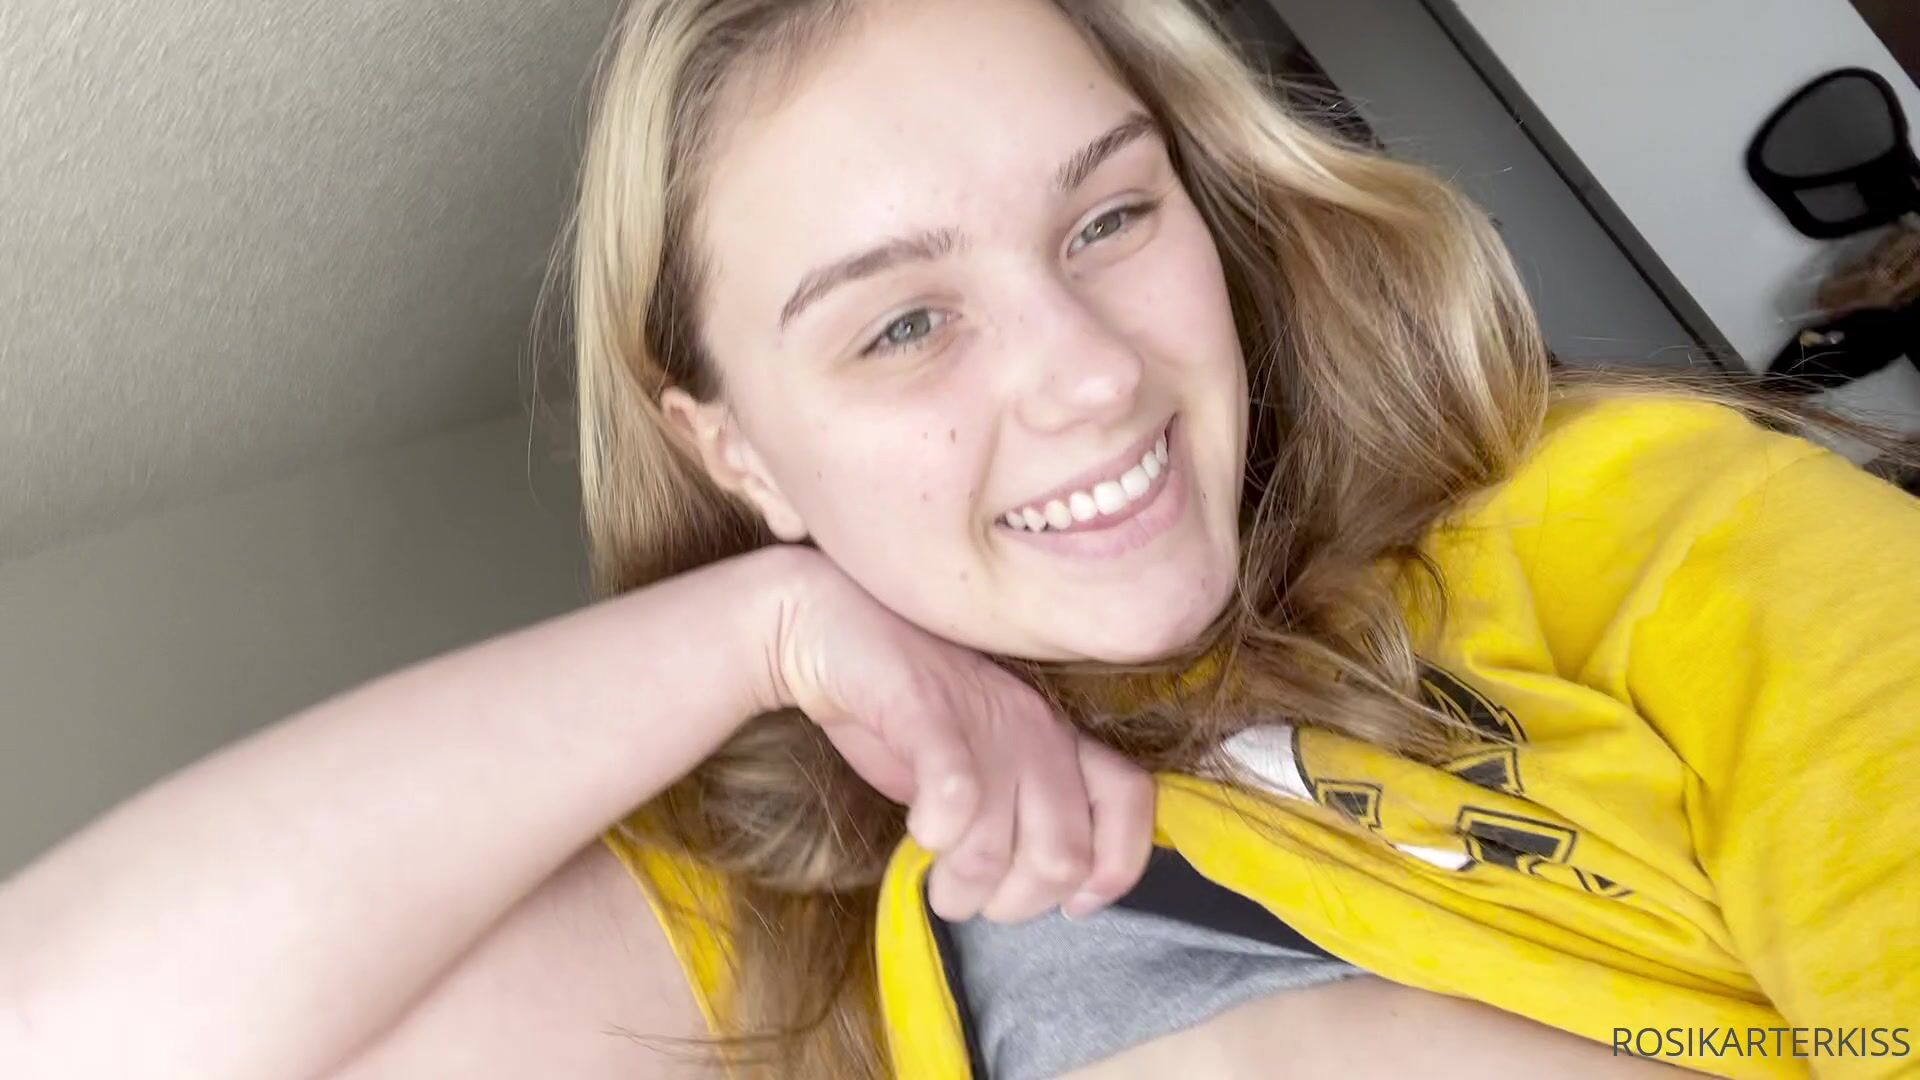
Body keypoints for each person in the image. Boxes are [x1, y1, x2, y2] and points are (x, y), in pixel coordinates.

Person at [3, 0, 1917, 1077]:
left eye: (1110, 220)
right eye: (904, 323)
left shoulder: (1632, 521)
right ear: (731, 445)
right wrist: (752, 632)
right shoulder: (778, 920)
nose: (1089, 373)